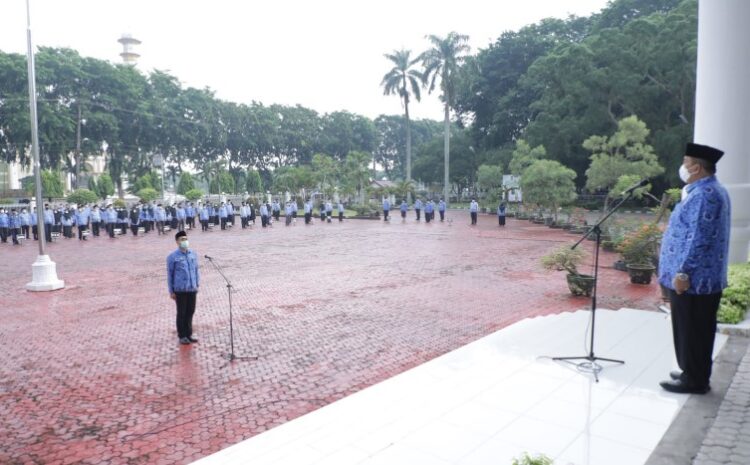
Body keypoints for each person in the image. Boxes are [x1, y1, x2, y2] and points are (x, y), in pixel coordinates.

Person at [658, 143, 731, 395]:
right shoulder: (707, 190)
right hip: (699, 278)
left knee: (692, 329)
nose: (683, 166)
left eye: (686, 162)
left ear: (697, 167)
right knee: (695, 329)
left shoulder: (705, 195)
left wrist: (683, 273)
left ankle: (695, 380)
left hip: (694, 280)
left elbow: (699, 237)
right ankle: (693, 371)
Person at [167, 230, 200, 345]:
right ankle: (182, 335)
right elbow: (170, 275)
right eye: (182, 239)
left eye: (186, 239)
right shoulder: (172, 257)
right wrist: (171, 291)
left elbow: (196, 270)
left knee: (190, 311)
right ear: (177, 242)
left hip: (192, 288)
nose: (185, 241)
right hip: (180, 290)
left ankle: (189, 334)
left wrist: (197, 284)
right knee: (181, 313)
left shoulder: (193, 254)